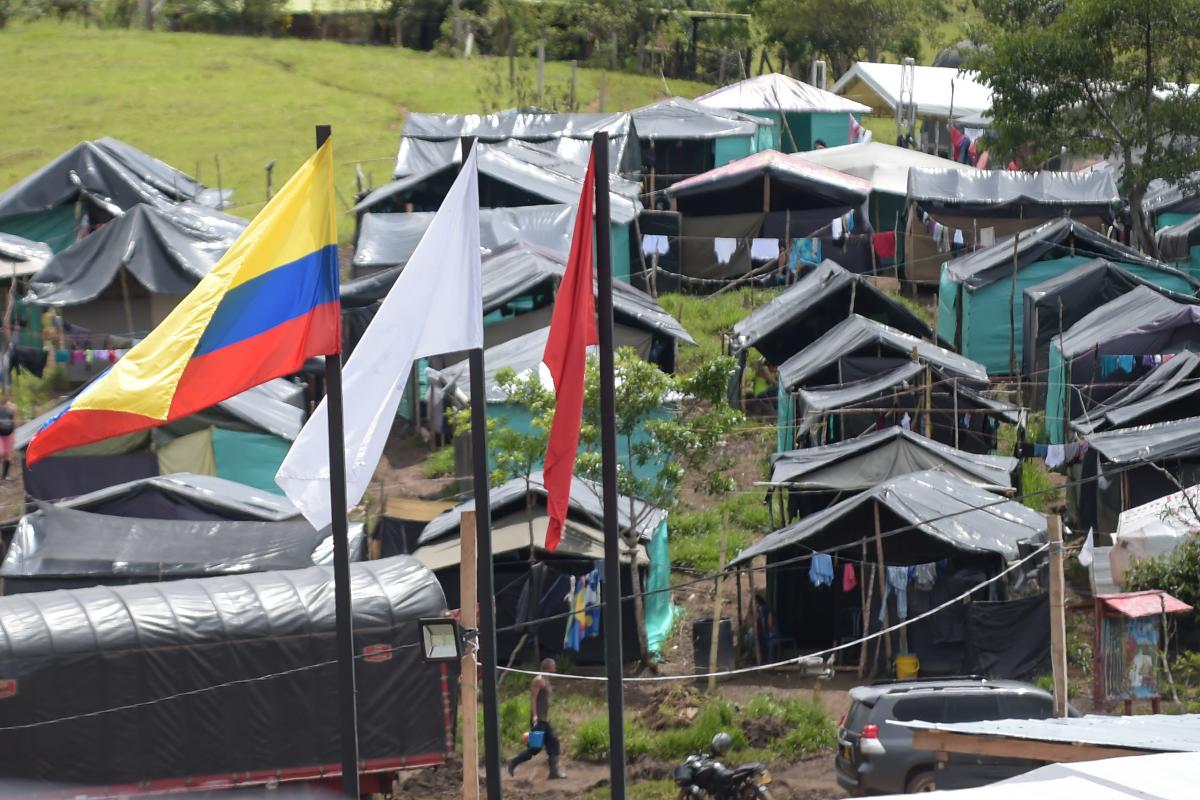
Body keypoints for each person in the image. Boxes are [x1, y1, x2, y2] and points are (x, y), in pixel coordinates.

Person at [507, 658, 566, 779]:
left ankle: (553, 773)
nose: (555, 668)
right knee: (535, 748)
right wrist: (534, 716)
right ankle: (513, 762)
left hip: (545, 719)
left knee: (554, 744)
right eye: (553, 666)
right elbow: (533, 698)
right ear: (547, 667)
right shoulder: (538, 680)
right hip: (538, 720)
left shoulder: (547, 680)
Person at [0, 392, 16, 480]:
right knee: (0, 452)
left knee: (8, 455)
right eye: (4, 395)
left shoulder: (13, 407)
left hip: (9, 433)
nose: (6, 397)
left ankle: (5, 475)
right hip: (0, 434)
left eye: (8, 395)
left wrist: (14, 434)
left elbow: (14, 420)